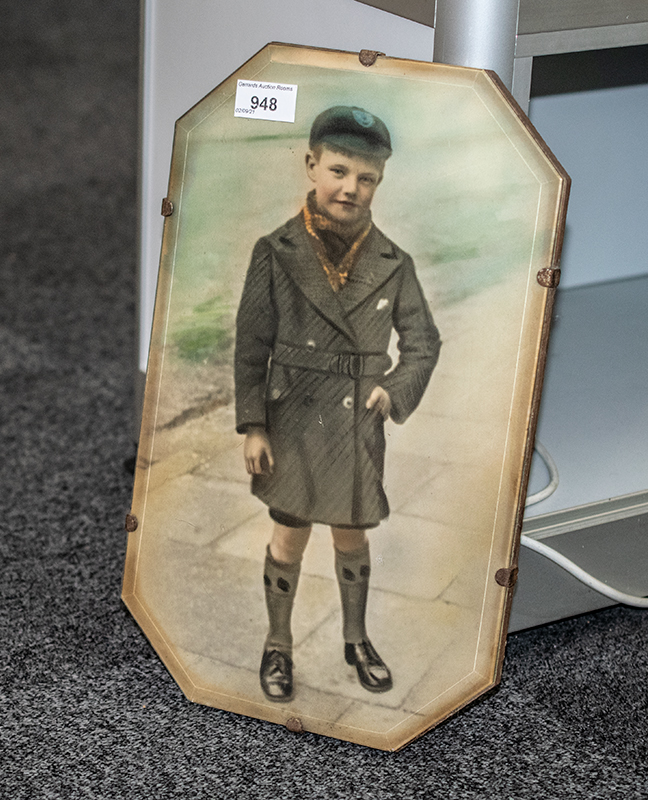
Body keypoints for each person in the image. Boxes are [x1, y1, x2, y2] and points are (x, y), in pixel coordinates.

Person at [233, 105, 441, 702]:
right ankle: (278, 644)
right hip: (293, 417)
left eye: (367, 177)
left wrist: (394, 389)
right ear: (311, 166)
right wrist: (253, 425)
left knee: (351, 534)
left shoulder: (393, 263)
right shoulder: (275, 251)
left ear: (380, 182)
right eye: (339, 170)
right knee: (289, 533)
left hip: (355, 422)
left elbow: (424, 343)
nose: (351, 187)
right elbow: (253, 344)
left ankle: (355, 638)